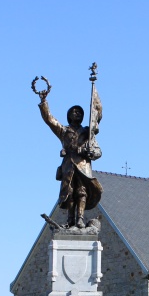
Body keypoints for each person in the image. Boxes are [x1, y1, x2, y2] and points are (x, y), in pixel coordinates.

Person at [38, 90, 103, 228]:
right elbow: (49, 120)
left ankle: (80, 218)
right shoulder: (64, 131)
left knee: (82, 191)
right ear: (69, 116)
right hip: (68, 165)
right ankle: (70, 220)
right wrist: (44, 103)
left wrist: (90, 153)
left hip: (83, 165)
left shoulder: (87, 133)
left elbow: (98, 151)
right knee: (69, 192)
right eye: (74, 112)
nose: (77, 113)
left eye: (79, 112)